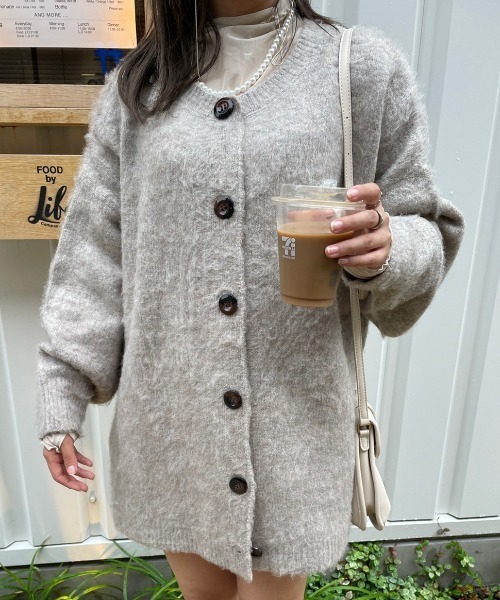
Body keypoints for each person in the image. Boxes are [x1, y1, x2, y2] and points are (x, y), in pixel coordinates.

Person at [36, 1, 465, 599]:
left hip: (294, 419)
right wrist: (62, 390)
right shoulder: (141, 86)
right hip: (173, 421)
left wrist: (387, 249)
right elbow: (95, 253)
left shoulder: (359, 68)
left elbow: (426, 226)